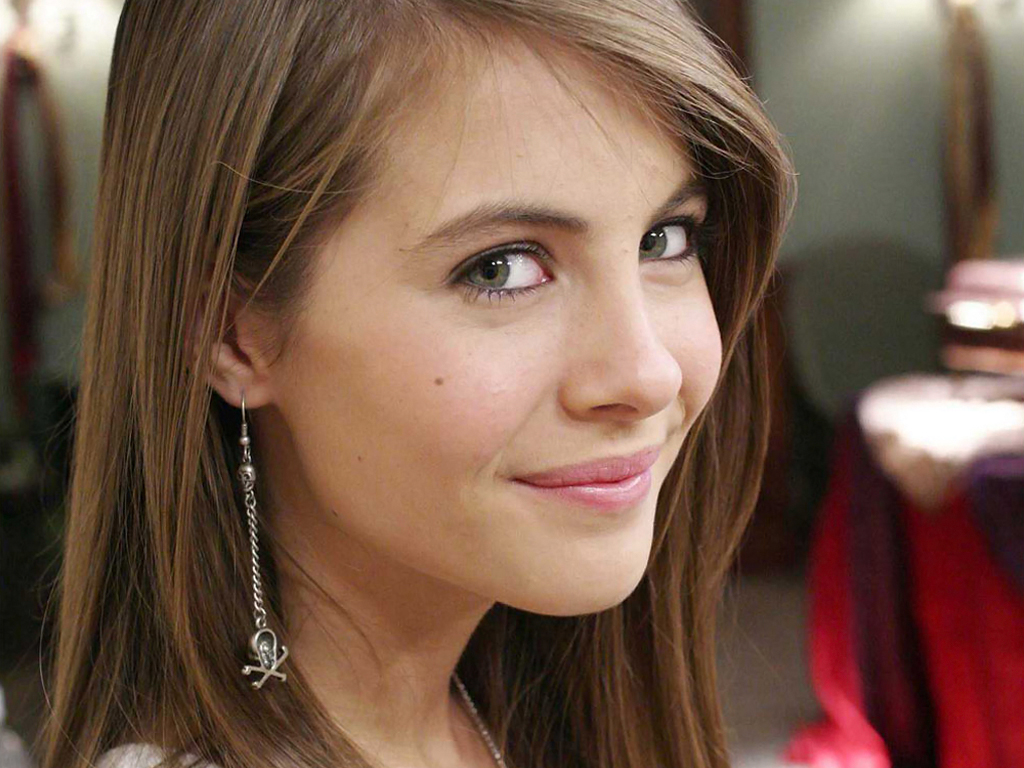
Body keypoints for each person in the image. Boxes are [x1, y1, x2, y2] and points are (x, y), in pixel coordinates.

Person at [37, 1, 794, 767]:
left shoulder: (519, 715)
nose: (650, 374)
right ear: (232, 335)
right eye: (501, 268)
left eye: (664, 240)